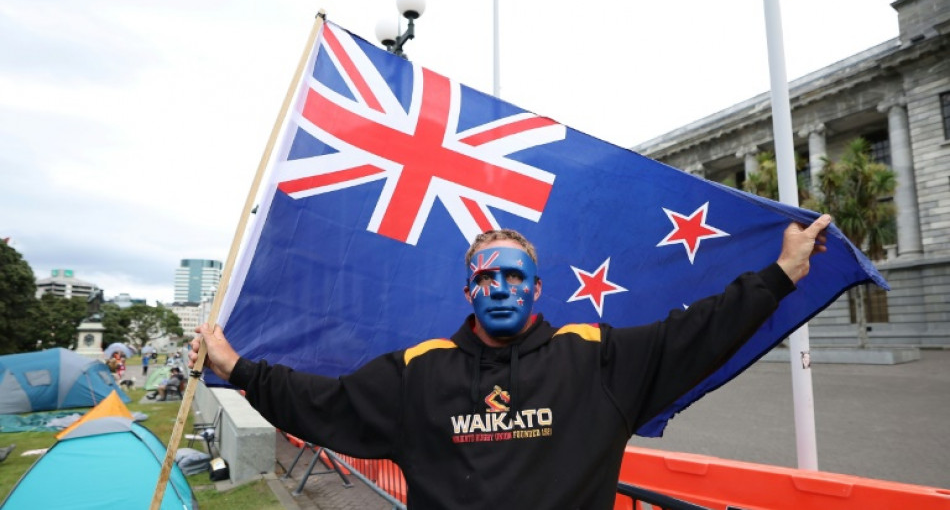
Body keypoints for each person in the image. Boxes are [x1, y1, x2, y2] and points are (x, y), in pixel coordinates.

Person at [191, 215, 831, 509]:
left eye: (514, 278)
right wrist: (236, 365)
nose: (500, 289)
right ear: (470, 289)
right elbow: (320, 402)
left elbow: (697, 332)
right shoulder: (419, 372)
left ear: (536, 289)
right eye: (486, 278)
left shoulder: (594, 359)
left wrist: (780, 275)